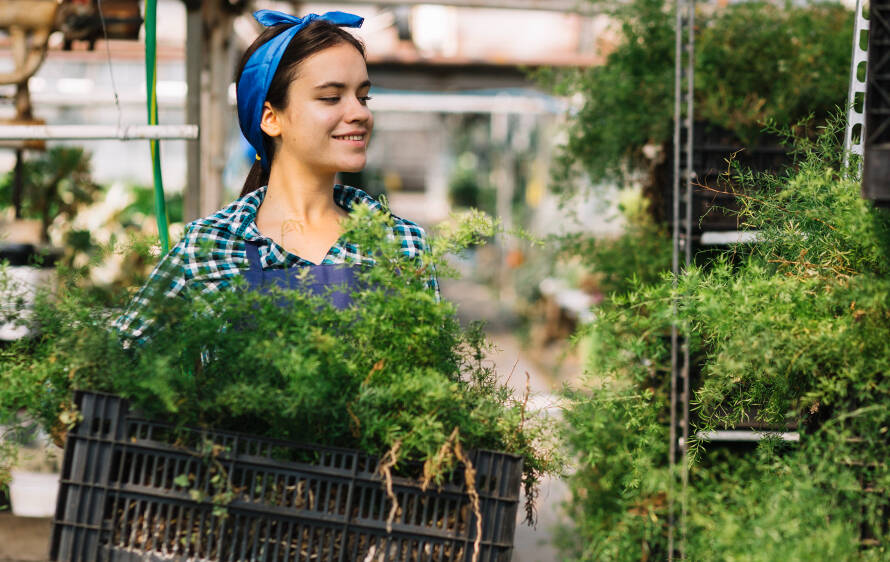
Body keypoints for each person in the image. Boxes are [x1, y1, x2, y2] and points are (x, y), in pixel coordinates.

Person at [113, 10, 438, 344]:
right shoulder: (210, 247)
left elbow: (434, 382)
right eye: (331, 97)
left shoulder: (399, 243)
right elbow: (112, 362)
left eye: (363, 96)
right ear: (270, 118)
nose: (359, 113)